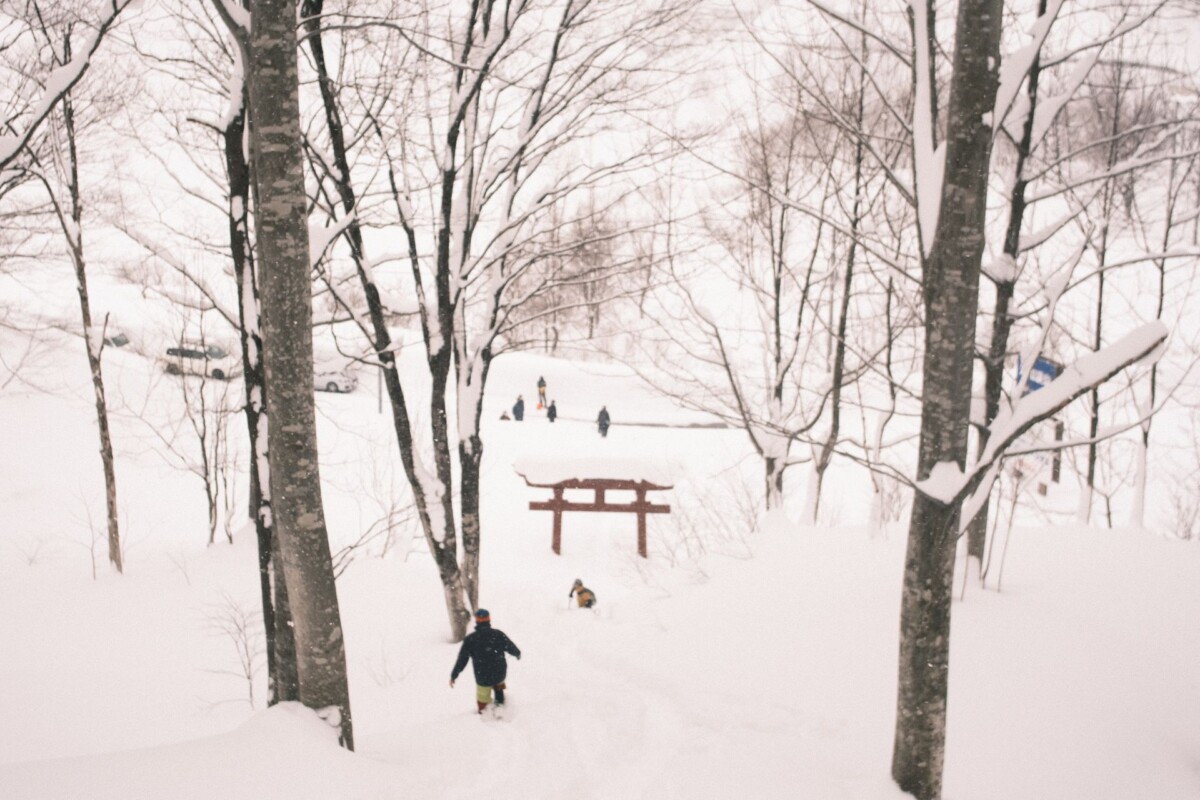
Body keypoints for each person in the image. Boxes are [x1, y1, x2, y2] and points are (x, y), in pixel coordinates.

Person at [449, 608, 521, 714]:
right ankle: (500, 707)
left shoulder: (471, 639)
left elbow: (462, 660)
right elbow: (511, 647)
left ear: (477, 621)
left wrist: (454, 675)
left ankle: (484, 713)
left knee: (483, 697)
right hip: (499, 673)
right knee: (498, 687)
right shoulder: (498, 634)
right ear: (489, 620)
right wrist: (517, 654)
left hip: (482, 676)